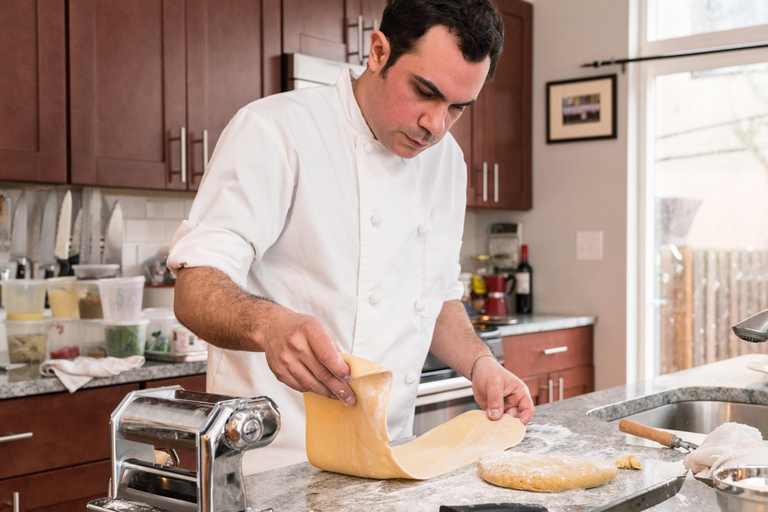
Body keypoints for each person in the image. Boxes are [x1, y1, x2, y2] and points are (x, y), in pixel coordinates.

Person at [167, 0, 534, 475]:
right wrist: (270, 326)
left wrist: (481, 364)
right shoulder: (275, 131)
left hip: (389, 464)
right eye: (424, 92)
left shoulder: (448, 164)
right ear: (378, 52)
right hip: (272, 465)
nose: (435, 125)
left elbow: (435, 299)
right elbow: (195, 288)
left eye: (457, 108)